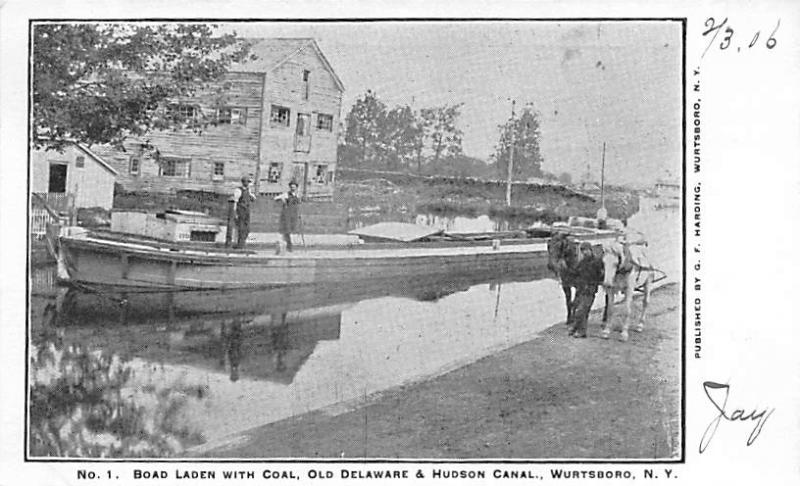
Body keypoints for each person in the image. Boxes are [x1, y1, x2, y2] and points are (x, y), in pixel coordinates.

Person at [274, 180, 301, 252]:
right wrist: (282, 200)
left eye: (294, 187)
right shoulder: (286, 194)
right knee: (287, 230)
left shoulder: (297, 195)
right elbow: (276, 198)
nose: (293, 188)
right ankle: (288, 246)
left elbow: (298, 205)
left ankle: (288, 245)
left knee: (292, 230)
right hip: (287, 215)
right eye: (291, 187)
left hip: (294, 215)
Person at [232, 175, 256, 248]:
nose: (248, 183)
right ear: (243, 182)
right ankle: (240, 244)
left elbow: (253, 198)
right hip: (241, 210)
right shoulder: (238, 190)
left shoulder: (248, 190)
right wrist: (235, 212)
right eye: (247, 182)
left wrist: (252, 196)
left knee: (247, 228)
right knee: (241, 228)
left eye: (248, 182)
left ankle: (242, 242)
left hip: (247, 210)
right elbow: (235, 201)